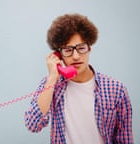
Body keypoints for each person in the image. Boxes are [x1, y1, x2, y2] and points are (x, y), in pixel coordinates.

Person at [24, 13, 134, 144]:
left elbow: (124, 139)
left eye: (81, 48)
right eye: (68, 50)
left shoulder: (116, 89)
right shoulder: (50, 84)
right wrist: (53, 77)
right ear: (59, 55)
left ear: (89, 49)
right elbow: (33, 124)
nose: (76, 56)